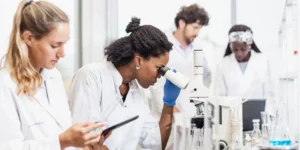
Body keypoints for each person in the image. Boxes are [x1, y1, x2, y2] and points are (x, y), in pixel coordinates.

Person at [0, 1, 110, 150]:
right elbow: (8, 147)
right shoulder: (5, 84)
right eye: (55, 45)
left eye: (64, 44)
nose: (62, 54)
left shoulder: (53, 76)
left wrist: (84, 145)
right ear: (29, 38)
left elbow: (60, 134)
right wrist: (62, 141)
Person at [68, 17, 181, 150]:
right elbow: (85, 142)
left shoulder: (137, 92)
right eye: (159, 68)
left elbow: (156, 144)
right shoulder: (91, 76)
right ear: (138, 61)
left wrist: (168, 104)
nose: (160, 76)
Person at [148, 4, 210, 119]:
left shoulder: (198, 48)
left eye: (199, 29)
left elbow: (205, 81)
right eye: (195, 27)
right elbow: (155, 86)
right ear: (182, 23)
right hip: (168, 115)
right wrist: (173, 112)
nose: (197, 33)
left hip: (193, 115)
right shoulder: (162, 46)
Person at [214, 24, 274, 110]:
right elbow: (219, 96)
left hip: (258, 115)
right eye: (235, 49)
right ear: (230, 46)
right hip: (230, 116)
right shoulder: (223, 64)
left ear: (250, 46)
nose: (239, 53)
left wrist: (269, 117)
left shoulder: (262, 61)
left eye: (243, 49)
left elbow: (269, 94)